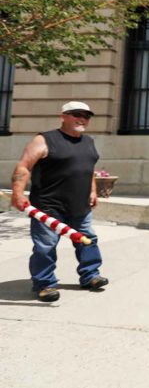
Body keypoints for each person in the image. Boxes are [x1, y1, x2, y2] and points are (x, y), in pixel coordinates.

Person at [10, 101, 109, 302]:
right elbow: (24, 167)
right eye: (77, 114)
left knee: (88, 241)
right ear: (63, 116)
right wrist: (18, 194)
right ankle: (44, 284)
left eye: (86, 116)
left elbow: (87, 169)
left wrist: (92, 191)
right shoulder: (44, 140)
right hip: (48, 206)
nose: (82, 119)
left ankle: (90, 276)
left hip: (79, 206)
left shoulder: (88, 141)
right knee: (45, 246)